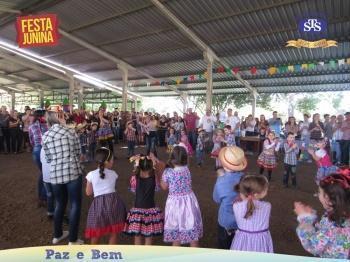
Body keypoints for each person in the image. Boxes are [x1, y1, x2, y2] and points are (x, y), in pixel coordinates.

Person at [42, 110, 84, 245]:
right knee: (75, 204)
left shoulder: (45, 136)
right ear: (60, 119)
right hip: (72, 171)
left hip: (55, 174)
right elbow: (78, 152)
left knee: (60, 203)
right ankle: (73, 239)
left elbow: (48, 158)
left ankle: (57, 235)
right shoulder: (71, 132)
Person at [294, 170, 350, 259]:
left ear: (329, 199)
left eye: (319, 192)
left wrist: (304, 218)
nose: (317, 195)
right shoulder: (340, 214)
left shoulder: (335, 224)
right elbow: (322, 232)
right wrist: (312, 217)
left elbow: (312, 244)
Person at [161, 146, 203, 247]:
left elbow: (164, 187)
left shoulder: (168, 172)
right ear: (185, 158)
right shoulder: (187, 170)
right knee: (193, 234)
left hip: (175, 204)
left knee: (176, 235)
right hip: (189, 201)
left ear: (172, 158)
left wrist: (159, 175)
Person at [85, 148, 126, 244]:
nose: (113, 161)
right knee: (113, 232)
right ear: (107, 162)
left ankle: (94, 254)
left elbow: (88, 192)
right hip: (113, 203)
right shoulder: (114, 174)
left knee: (96, 231)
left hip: (98, 206)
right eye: (112, 159)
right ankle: (111, 255)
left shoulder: (91, 174)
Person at [124, 154, 165, 245]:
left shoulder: (134, 178)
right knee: (148, 237)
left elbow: (133, 190)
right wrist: (155, 159)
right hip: (151, 211)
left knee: (137, 237)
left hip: (137, 211)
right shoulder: (155, 179)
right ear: (151, 166)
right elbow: (157, 188)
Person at [213, 146, 246, 249]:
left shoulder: (221, 181)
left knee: (224, 246)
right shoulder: (245, 178)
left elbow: (216, 199)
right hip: (243, 221)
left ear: (223, 163)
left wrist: (220, 177)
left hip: (226, 221)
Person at [230, 175, 273, 253]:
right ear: (256, 194)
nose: (267, 190)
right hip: (260, 243)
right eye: (265, 189)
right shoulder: (267, 206)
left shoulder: (236, 206)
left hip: (241, 241)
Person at [29, 109, 48, 207]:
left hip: (36, 150)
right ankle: (44, 197)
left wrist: (36, 147)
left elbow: (31, 140)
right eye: (46, 115)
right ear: (42, 116)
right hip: (45, 150)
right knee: (45, 173)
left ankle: (41, 197)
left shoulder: (31, 126)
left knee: (42, 173)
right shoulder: (46, 125)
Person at [40, 145, 54, 219]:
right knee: (59, 196)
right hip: (54, 176)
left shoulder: (42, 148)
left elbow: (41, 161)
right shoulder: (54, 146)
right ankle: (60, 212)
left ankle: (50, 212)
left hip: (45, 177)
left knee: (49, 194)